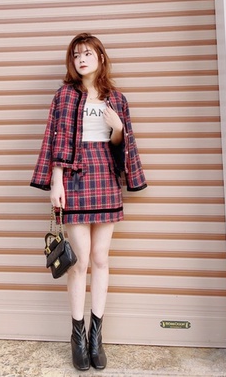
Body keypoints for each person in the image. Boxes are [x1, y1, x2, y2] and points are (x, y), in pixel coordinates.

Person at [30, 32, 147, 371]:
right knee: (79, 262)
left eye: (87, 54)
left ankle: (97, 337)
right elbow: (55, 140)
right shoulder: (64, 96)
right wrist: (56, 182)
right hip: (75, 177)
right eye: (76, 55)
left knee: (101, 258)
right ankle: (77, 336)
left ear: (100, 58)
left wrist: (118, 128)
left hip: (106, 176)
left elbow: (121, 146)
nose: (81, 60)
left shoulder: (117, 99)